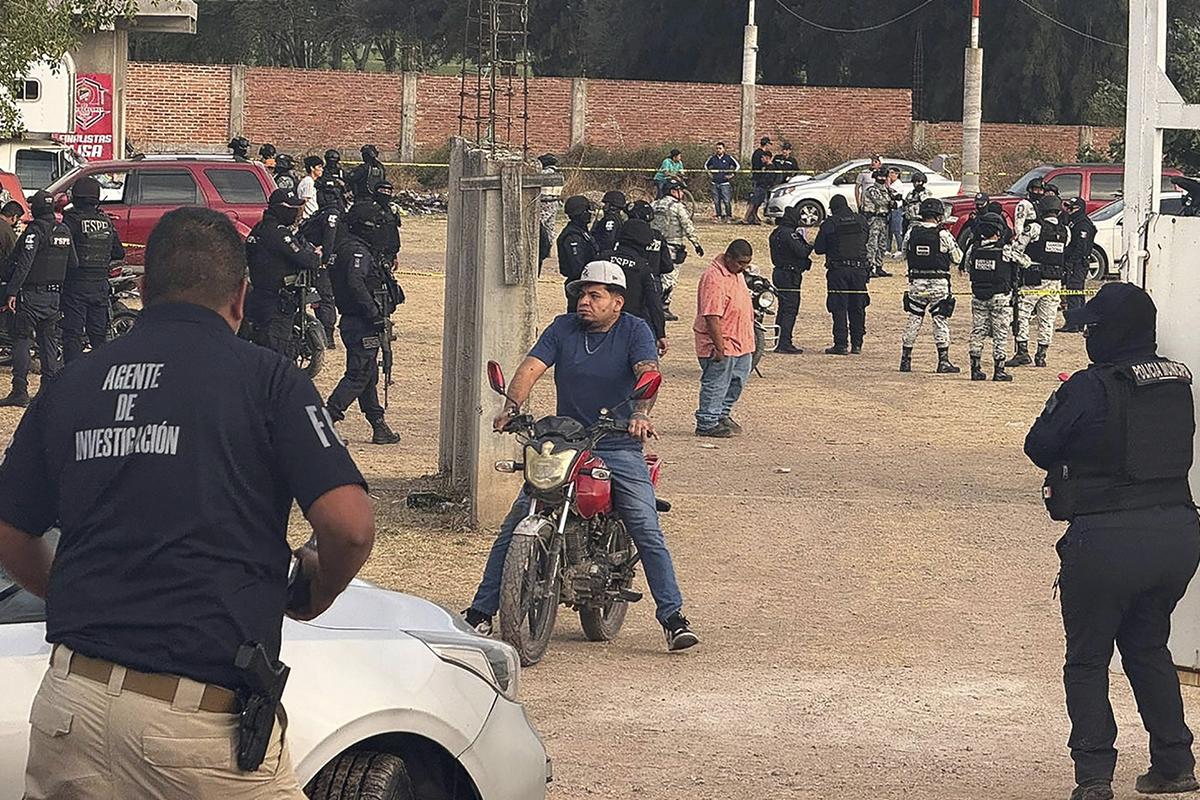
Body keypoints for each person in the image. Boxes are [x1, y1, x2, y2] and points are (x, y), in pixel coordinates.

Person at [0, 206, 375, 799]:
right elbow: (350, 527)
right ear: (241, 297)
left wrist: (76, 589)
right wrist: (309, 596)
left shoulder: (73, 381)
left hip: (69, 707)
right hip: (193, 726)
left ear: (144, 289)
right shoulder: (267, 380)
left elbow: (11, 532)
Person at [462, 260, 699, 651]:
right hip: (565, 441)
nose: (583, 301)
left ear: (617, 302)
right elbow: (531, 368)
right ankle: (481, 613)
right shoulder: (562, 328)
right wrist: (512, 407)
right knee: (518, 519)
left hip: (616, 443)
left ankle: (673, 618)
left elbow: (648, 373)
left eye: (594, 295)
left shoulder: (635, 330)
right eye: (581, 294)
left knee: (645, 524)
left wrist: (640, 414)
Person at [1024, 282, 1200, 800]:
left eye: (1093, 329)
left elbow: (1039, 445)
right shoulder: (1176, 380)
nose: (1087, 339)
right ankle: (1174, 763)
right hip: (1176, 535)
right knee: (1148, 646)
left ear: (1109, 333)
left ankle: (1094, 777)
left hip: (1106, 537)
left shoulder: (1089, 384)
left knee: (1087, 659)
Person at [326, 201, 402, 445]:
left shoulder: (349, 247)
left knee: (368, 375)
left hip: (358, 321)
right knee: (358, 374)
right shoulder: (355, 251)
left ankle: (378, 425)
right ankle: (327, 420)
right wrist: (374, 313)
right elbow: (355, 283)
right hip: (361, 322)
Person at [0, 190, 75, 407]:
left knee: (21, 340)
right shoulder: (64, 230)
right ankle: (49, 391)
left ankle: (20, 391)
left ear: (36, 209)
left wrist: (12, 291)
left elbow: (24, 263)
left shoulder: (35, 232)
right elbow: (74, 264)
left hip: (31, 296)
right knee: (48, 343)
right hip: (54, 297)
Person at [243, 188, 320, 357]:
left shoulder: (259, 228)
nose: (296, 213)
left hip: (259, 297)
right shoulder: (278, 233)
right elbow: (304, 259)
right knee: (276, 353)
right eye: (292, 208)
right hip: (277, 303)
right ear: (281, 208)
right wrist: (316, 256)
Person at [694, 240, 755, 438]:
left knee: (736, 381)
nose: (743, 268)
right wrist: (719, 346)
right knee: (717, 382)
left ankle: (722, 414)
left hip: (741, 341)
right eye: (740, 263)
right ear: (728, 258)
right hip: (722, 342)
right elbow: (711, 315)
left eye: (746, 263)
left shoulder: (736, 274)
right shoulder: (714, 278)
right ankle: (707, 421)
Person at [61, 176, 125, 364]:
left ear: (76, 197)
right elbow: (118, 252)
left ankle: (71, 376)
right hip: (99, 287)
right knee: (98, 336)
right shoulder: (105, 222)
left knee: (72, 335)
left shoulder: (71, 221)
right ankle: (100, 375)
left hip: (75, 286)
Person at [960, 211, 1026, 382]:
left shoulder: (973, 249)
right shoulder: (1005, 250)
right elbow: (1025, 261)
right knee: (1000, 334)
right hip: (1000, 298)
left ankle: (975, 369)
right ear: (999, 231)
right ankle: (999, 370)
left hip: (978, 296)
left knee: (978, 332)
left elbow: (967, 267)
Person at [899, 197, 962, 373]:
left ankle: (905, 360)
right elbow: (958, 258)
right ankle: (943, 361)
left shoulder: (912, 232)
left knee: (914, 319)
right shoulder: (943, 234)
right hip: (938, 284)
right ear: (938, 215)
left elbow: (904, 254)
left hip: (916, 284)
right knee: (940, 321)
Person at [1009, 195, 1070, 369]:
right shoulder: (1066, 230)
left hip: (1033, 279)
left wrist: (1026, 263)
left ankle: (1022, 352)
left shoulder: (1034, 228)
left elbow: (1016, 251)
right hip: (1055, 280)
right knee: (1047, 318)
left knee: (1023, 315)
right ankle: (1041, 355)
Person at [814, 194, 870, 355]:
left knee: (839, 306)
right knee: (858, 306)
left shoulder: (830, 223)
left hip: (838, 270)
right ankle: (857, 343)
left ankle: (841, 344)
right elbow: (865, 239)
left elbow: (819, 248)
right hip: (859, 270)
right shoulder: (861, 220)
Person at [602, 219, 667, 354]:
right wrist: (660, 333)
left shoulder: (602, 259)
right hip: (632, 326)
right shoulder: (643, 268)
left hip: (601, 324)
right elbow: (654, 303)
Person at [299, 175, 348, 347]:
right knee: (317, 298)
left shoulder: (332, 214)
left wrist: (324, 258)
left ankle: (327, 335)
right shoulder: (323, 213)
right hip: (314, 260)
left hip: (323, 264)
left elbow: (329, 238)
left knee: (324, 297)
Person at [651, 178, 703, 320]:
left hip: (655, 246)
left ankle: (653, 304)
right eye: (680, 190)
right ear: (674, 191)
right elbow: (687, 226)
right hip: (673, 246)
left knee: (656, 276)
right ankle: (663, 307)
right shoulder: (677, 207)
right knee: (670, 277)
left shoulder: (654, 204)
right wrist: (696, 243)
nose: (682, 193)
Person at [768, 204, 812, 354]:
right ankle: (785, 342)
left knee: (783, 308)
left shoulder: (775, 233)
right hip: (789, 275)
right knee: (790, 309)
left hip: (779, 272)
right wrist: (809, 244)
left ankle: (779, 339)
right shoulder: (789, 234)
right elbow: (801, 251)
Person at [556, 195, 598, 312]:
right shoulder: (572, 237)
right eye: (587, 211)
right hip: (578, 284)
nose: (590, 214)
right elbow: (577, 267)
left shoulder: (582, 232)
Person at [1060, 196, 1096, 332]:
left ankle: (1074, 323)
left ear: (1078, 209)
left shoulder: (1083, 224)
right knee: (1076, 292)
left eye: (1071, 208)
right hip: (1075, 262)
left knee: (1074, 292)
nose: (1068, 211)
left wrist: (1071, 261)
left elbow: (1081, 246)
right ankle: (1079, 322)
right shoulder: (1074, 221)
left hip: (1078, 263)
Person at [861, 168, 894, 278]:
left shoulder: (887, 190)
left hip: (883, 220)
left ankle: (879, 266)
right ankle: (870, 267)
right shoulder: (872, 190)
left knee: (882, 244)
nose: (882, 179)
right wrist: (891, 200)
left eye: (884, 177)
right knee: (872, 244)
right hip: (873, 219)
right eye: (880, 177)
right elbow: (880, 201)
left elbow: (894, 202)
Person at [369, 181, 402, 269]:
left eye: (388, 192)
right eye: (382, 191)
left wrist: (394, 256)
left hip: (388, 255)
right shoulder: (368, 209)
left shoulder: (391, 211)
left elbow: (393, 234)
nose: (386, 194)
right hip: (371, 253)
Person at [704, 141, 740, 222]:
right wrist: (709, 173)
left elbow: (737, 166)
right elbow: (706, 165)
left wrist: (732, 174)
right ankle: (718, 215)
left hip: (725, 183)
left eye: (720, 148)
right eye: (717, 148)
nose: (718, 150)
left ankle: (728, 216)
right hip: (715, 182)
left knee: (726, 201)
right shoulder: (712, 158)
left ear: (724, 149)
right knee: (716, 201)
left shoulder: (728, 158)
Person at [743, 137, 773, 225]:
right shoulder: (760, 154)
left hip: (757, 180)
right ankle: (747, 217)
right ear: (766, 144)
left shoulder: (755, 153)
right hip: (759, 181)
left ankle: (754, 217)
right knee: (754, 200)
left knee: (757, 201)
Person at [297, 156, 324, 220]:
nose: (322, 169)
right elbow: (303, 202)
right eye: (319, 167)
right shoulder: (308, 182)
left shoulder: (310, 181)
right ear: (312, 168)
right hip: (309, 217)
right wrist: (299, 218)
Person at [886, 167, 905, 256]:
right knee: (888, 230)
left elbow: (892, 193)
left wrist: (888, 184)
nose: (891, 175)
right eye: (890, 173)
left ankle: (900, 248)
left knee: (897, 230)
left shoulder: (898, 184)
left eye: (893, 173)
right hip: (889, 209)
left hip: (896, 209)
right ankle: (887, 249)